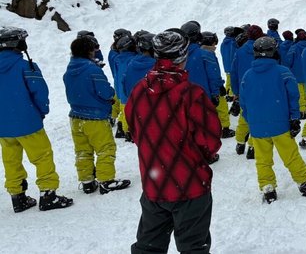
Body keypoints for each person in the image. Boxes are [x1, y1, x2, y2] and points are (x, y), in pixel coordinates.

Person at [125, 29, 221, 253]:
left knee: (149, 246)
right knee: (193, 247)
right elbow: (210, 140)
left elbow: (136, 133)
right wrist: (198, 156)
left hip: (154, 182)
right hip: (190, 184)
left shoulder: (139, 91)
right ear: (183, 57)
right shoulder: (191, 94)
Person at [239, 37, 306, 203]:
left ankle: (268, 188)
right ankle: (304, 182)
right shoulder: (283, 72)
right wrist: (294, 118)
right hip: (280, 124)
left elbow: (244, 102)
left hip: (257, 127)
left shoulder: (247, 75)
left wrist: (251, 120)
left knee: (263, 160)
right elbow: (293, 97)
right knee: (291, 155)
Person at [0, 27, 73, 213]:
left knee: (11, 160)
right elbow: (40, 92)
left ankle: (18, 197)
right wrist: (41, 112)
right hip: (27, 122)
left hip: (3, 127)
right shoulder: (26, 66)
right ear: (16, 44)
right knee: (42, 157)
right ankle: (48, 195)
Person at [64, 37, 132, 195]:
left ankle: (87, 181)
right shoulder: (92, 69)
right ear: (88, 51)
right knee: (105, 148)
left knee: (83, 150)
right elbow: (105, 92)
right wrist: (110, 98)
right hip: (94, 117)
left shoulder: (70, 68)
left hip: (75, 116)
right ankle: (106, 180)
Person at [180, 22, 231, 139]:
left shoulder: (179, 56)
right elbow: (214, 76)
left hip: (186, 96)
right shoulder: (205, 54)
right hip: (203, 95)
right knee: (206, 125)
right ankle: (207, 152)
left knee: (191, 125)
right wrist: (215, 93)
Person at [231, 25, 266, 159]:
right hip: (260, 90)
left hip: (244, 89)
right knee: (258, 119)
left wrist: (236, 91)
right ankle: (253, 146)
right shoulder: (263, 51)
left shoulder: (239, 52)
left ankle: (240, 142)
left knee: (244, 116)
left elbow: (234, 73)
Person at [285, 29, 306, 118]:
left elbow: (288, 60)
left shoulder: (294, 48)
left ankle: (302, 111)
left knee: (300, 93)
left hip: (296, 75)